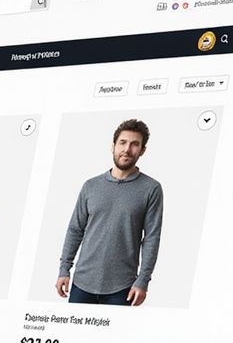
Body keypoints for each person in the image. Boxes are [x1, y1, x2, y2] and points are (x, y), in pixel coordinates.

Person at [55, 119, 163, 306]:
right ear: (113, 146)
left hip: (123, 288)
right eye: (122, 143)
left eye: (134, 144)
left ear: (142, 150)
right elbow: (75, 229)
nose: (127, 149)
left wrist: (143, 280)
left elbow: (151, 238)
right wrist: (64, 269)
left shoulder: (151, 189)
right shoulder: (91, 186)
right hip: (82, 283)